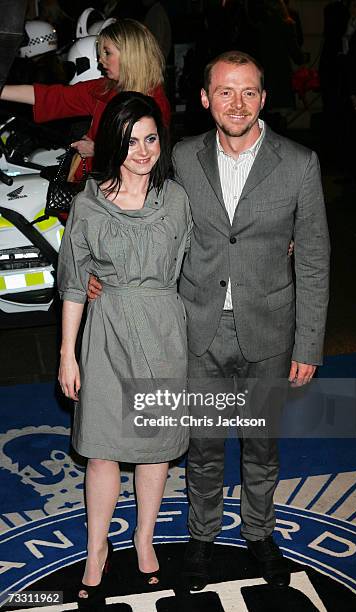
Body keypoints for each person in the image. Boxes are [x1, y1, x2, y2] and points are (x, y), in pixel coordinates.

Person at [88, 50, 330, 590]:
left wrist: (308, 344)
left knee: (261, 445)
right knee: (202, 446)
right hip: (195, 328)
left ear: (263, 98)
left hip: (268, 332)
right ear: (204, 99)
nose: (237, 103)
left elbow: (314, 260)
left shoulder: (299, 164)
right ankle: (201, 537)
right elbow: (138, 217)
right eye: (225, 91)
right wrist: (97, 272)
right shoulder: (180, 160)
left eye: (249, 92)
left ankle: (259, 534)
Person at [58, 91, 191, 607]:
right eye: (131, 140)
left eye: (151, 138)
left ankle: (143, 538)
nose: (143, 150)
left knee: (155, 450)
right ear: (113, 143)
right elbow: (73, 284)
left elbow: (210, 253)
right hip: (108, 329)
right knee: (102, 448)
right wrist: (68, 353)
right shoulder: (88, 203)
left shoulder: (177, 200)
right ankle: (97, 548)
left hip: (163, 332)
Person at [0, 18, 170, 181]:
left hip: (122, 195)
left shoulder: (153, 103)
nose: (100, 60)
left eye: (107, 53)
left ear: (130, 55)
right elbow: (51, 96)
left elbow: (151, 157)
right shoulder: (105, 88)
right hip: (92, 186)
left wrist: (98, 151)